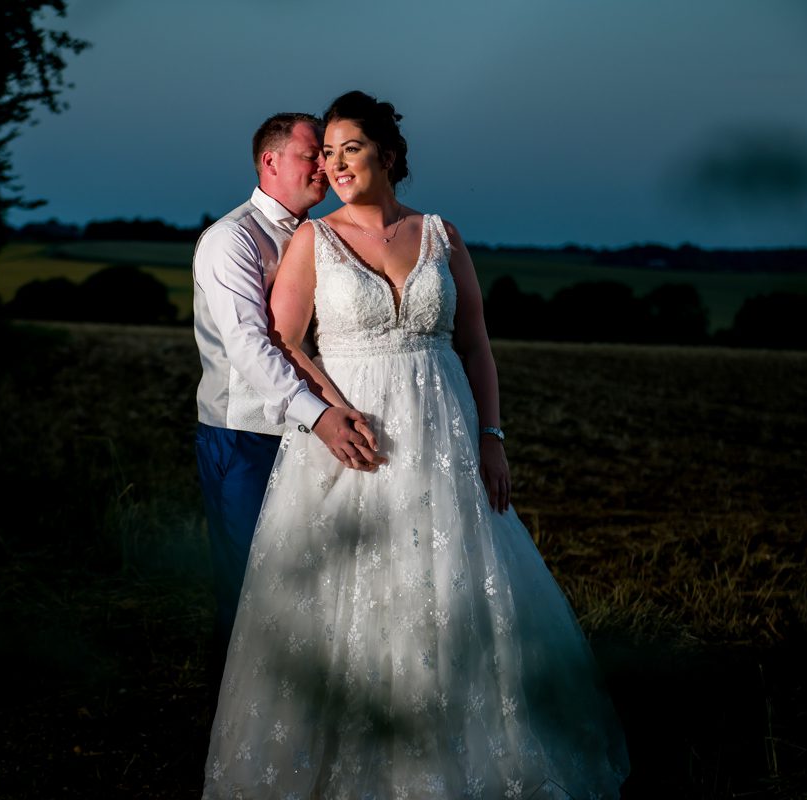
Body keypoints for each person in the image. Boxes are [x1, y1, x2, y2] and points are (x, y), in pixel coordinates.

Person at [202, 92, 629, 799]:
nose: (335, 164)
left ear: (390, 156)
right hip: (354, 444)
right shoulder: (314, 240)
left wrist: (493, 438)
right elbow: (285, 342)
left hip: (445, 436)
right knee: (353, 597)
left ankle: (466, 758)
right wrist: (334, 414)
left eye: (350, 149)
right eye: (327, 153)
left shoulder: (441, 234)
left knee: (453, 585)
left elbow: (477, 346)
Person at [193, 112, 385, 684]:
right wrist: (322, 417)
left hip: (313, 436)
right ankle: (236, 734)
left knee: (318, 586)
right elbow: (252, 351)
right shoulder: (232, 239)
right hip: (247, 435)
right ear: (269, 161)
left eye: (327, 156)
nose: (323, 168)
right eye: (311, 155)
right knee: (253, 588)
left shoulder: (323, 235)